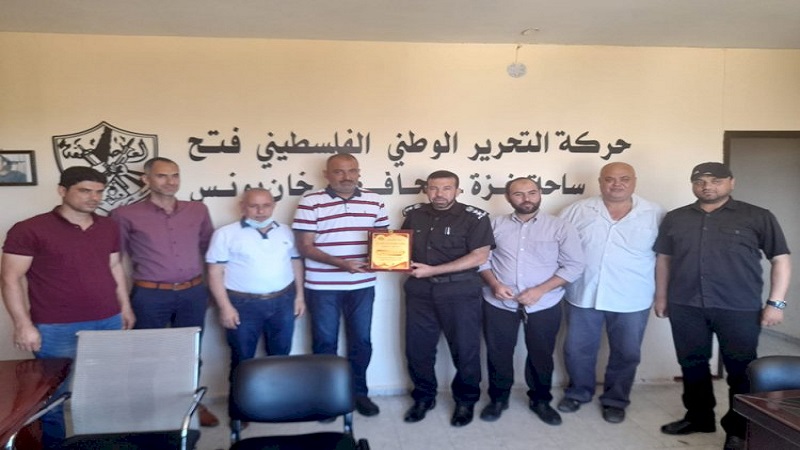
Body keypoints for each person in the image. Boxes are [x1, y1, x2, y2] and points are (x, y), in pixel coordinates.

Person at [654, 162, 791, 450]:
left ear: (731, 182)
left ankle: (738, 430)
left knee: (741, 371)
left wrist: (776, 303)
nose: (707, 186)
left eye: (715, 180)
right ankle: (698, 417)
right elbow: (664, 259)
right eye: (700, 181)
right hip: (686, 304)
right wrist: (662, 297)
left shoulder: (758, 216)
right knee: (692, 365)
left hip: (738, 307)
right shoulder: (676, 218)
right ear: (693, 185)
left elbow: (780, 259)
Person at [1, 166, 135, 447]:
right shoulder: (29, 229)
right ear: (63, 191)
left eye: (99, 192)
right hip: (55, 326)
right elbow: (10, 278)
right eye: (85, 191)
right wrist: (23, 325)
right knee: (52, 396)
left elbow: (114, 266)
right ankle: (55, 445)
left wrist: (124, 307)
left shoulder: (109, 226)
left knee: (105, 389)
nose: (93, 197)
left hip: (108, 320)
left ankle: (100, 442)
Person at [109, 156, 219, 427]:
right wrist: (123, 303)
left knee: (190, 353)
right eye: (162, 176)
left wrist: (211, 290)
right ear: (145, 179)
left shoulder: (197, 210)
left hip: (193, 293)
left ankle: (191, 404)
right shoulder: (125, 214)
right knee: (146, 355)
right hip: (150, 295)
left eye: (175, 175)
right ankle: (146, 410)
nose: (170, 181)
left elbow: (211, 252)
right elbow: (114, 260)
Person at [557, 162, 665, 423]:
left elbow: (664, 258)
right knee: (577, 349)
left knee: (626, 353)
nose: (617, 184)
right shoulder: (576, 211)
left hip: (633, 296)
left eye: (624, 178)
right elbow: (556, 248)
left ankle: (615, 400)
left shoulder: (656, 214)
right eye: (609, 179)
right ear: (600, 181)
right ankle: (578, 392)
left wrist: (662, 296)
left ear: (634, 180)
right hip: (584, 293)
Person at [478, 177, 584, 426]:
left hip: (544, 302)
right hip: (499, 301)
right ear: (508, 198)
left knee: (541, 354)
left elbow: (574, 265)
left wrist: (540, 290)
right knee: (498, 353)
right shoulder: (493, 225)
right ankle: (498, 399)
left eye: (532, 192)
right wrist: (494, 284)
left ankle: (540, 401)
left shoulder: (560, 227)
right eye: (518, 194)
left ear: (540, 194)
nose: (526, 198)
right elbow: (481, 259)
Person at [292, 153, 389, 417]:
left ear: (359, 172)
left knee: (361, 341)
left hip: (363, 284)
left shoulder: (375, 200)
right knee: (325, 343)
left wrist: (384, 260)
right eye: (339, 171)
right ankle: (327, 398)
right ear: (327, 174)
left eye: (351, 171)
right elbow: (304, 246)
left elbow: (384, 241)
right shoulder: (311, 201)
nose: (346, 177)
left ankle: (359, 393)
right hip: (322, 286)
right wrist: (340, 264)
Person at [401, 170, 495, 427]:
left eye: (446, 188)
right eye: (433, 188)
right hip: (420, 292)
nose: (439, 194)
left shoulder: (475, 217)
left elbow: (479, 256)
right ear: (426, 190)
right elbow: (401, 248)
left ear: (458, 191)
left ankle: (465, 401)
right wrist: (392, 261)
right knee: (418, 350)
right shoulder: (414, 215)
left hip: (460, 293)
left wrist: (433, 270)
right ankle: (424, 398)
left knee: (465, 350)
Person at [207, 188, 305, 377]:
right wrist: (225, 307)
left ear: (274, 206)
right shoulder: (225, 234)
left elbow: (296, 263)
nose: (261, 211)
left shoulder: (286, 231)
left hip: (283, 302)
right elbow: (214, 272)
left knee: (281, 358)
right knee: (242, 361)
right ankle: (240, 398)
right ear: (242, 207)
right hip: (242, 305)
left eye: (266, 206)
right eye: (254, 206)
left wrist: (299, 297)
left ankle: (277, 397)